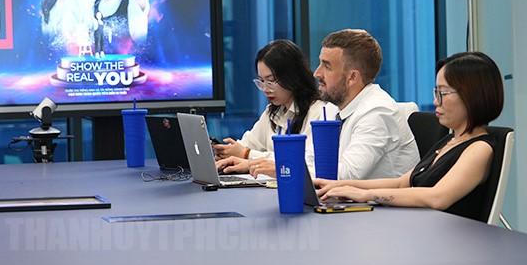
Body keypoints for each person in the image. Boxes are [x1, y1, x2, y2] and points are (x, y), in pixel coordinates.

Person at [315, 52, 504, 220]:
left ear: (472, 96)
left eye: (443, 93)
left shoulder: (480, 148)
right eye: (436, 92)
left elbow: (437, 197)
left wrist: (366, 195)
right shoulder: (450, 141)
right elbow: (400, 183)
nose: (436, 101)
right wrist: (339, 185)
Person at [214, 39, 335, 177]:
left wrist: (247, 154)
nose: (265, 89)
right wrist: (227, 153)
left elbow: (305, 162)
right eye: (262, 81)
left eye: (271, 81)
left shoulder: (319, 113)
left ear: (293, 76)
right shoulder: (273, 111)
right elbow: (247, 144)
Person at [313, 29, 419, 179]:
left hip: (383, 196)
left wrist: (292, 170)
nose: (317, 73)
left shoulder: (378, 112)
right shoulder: (332, 108)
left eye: (327, 67)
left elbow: (347, 175)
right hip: (343, 194)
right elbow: (310, 157)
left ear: (352, 77)